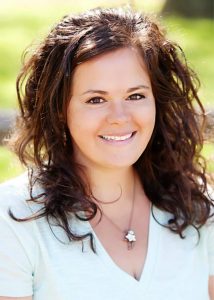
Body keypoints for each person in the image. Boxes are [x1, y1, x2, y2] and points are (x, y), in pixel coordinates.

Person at [0, 6, 213, 300]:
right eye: (96, 99)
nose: (119, 116)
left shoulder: (198, 207)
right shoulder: (14, 217)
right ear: (61, 110)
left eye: (135, 95)